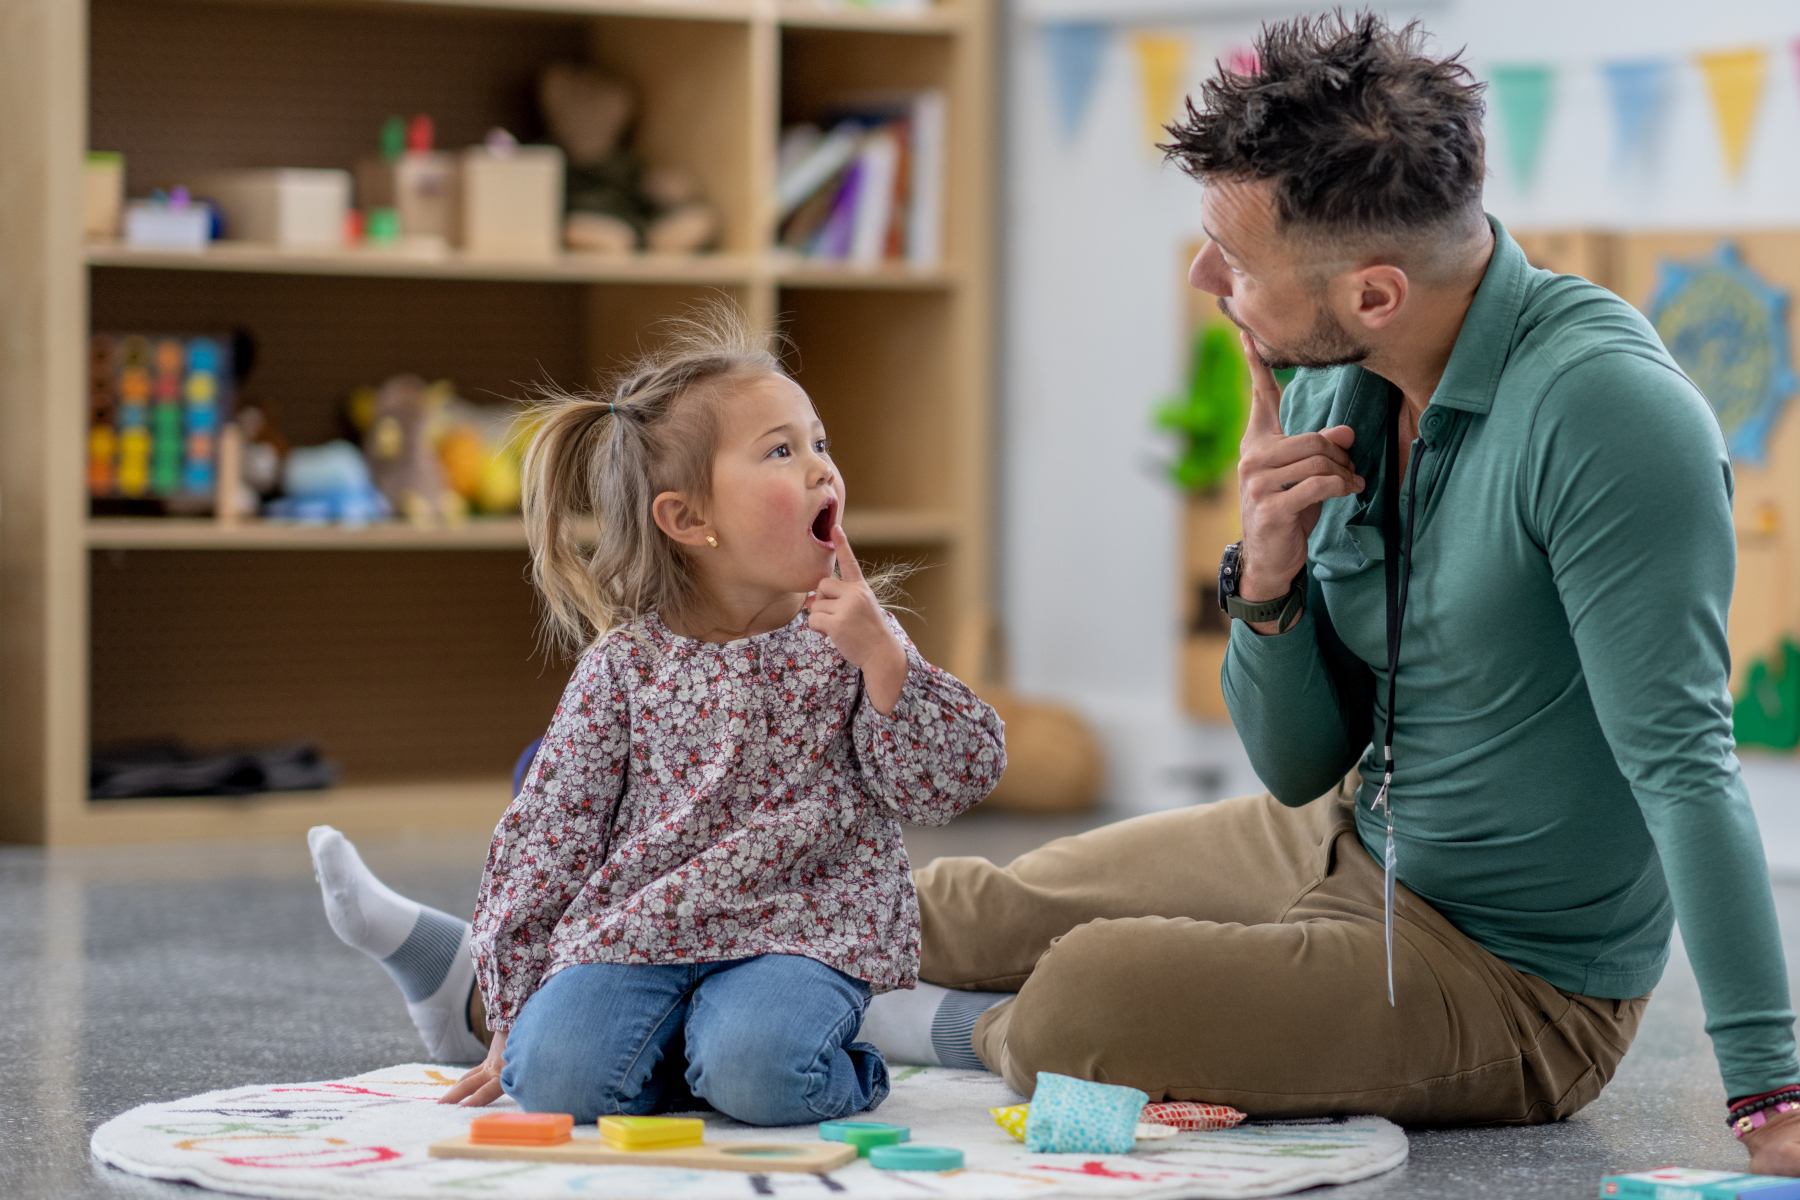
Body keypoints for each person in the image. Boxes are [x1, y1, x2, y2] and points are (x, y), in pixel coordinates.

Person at [854, 9, 1800, 1176]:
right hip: (1340, 833)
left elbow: (1685, 761)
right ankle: (654, 960)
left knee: (1082, 998)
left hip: (1506, 976)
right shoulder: (1331, 387)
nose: (1205, 278)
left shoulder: (1609, 419)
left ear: (1376, 293)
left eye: (1235, 261)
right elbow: (1300, 763)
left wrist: (1772, 1092)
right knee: (954, 905)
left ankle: (915, 1030)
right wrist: (1267, 572)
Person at [309, 303, 1005, 1125]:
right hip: (639, 928)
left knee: (763, 1074)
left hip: (801, 933)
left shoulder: (850, 642)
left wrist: (885, 656)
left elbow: (951, 782)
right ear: (688, 519)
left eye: (819, 443)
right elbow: (549, 835)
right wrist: (516, 1005)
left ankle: (808, 1057)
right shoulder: (624, 665)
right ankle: (682, 1056)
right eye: (782, 451)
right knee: (551, 1081)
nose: (822, 468)